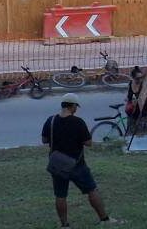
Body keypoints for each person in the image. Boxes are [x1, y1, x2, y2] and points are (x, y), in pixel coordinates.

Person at [41, 93, 118, 227]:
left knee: (60, 195)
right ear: (73, 106)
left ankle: (65, 225)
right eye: (76, 106)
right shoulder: (78, 122)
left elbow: (44, 140)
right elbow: (88, 143)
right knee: (92, 190)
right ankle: (104, 219)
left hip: (58, 164)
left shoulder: (51, 120)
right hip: (77, 164)